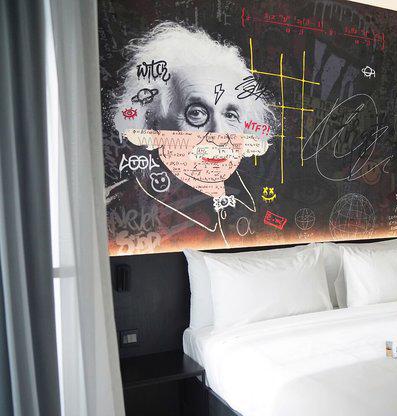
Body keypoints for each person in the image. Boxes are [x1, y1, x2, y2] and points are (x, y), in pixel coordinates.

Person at [111, 22, 276, 248]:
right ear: (153, 123)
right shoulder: (124, 210)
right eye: (196, 113)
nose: (219, 135)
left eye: (230, 115)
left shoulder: (255, 201)